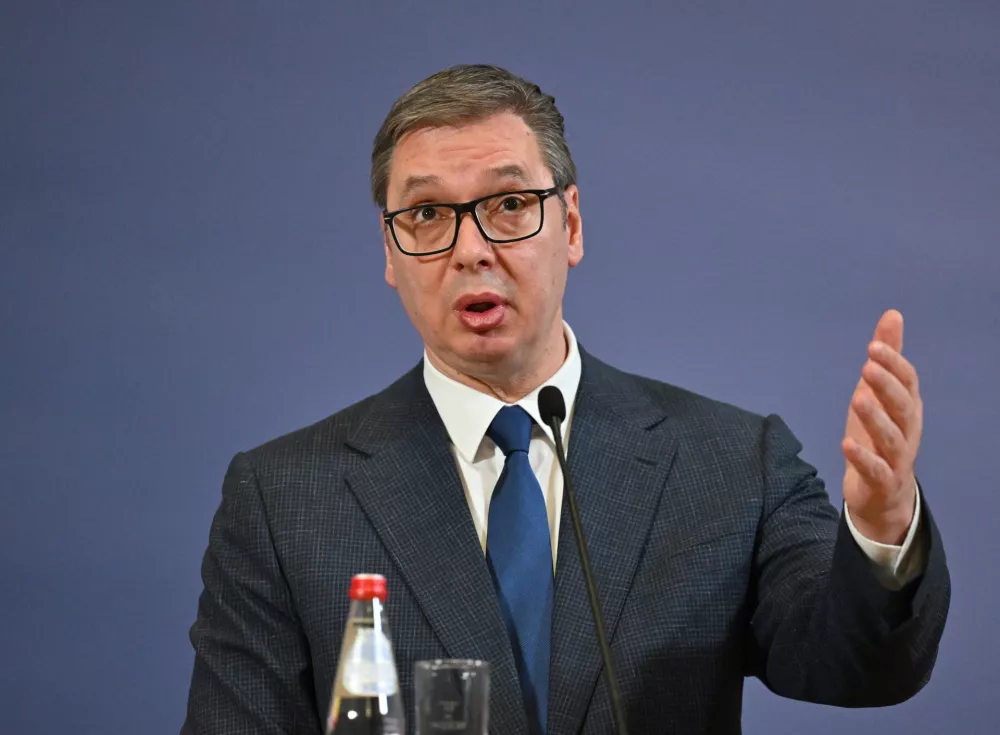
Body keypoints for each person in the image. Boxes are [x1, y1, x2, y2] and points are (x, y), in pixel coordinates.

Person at [180, 64, 950, 735]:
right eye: (426, 216)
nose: (472, 248)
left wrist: (883, 527)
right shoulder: (285, 501)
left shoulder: (730, 464)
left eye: (510, 203)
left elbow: (857, 668)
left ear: (571, 225)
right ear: (389, 252)